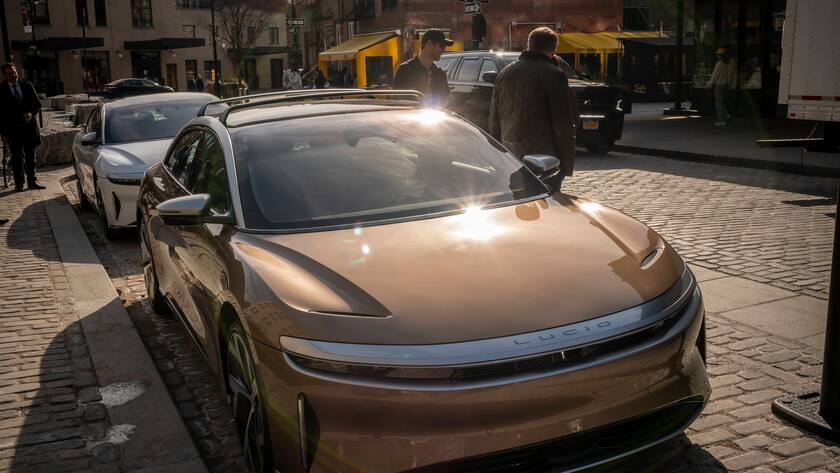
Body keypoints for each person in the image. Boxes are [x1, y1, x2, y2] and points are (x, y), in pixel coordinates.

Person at [489, 27, 576, 190]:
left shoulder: (505, 72)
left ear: (529, 45)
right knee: (544, 206)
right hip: (543, 160)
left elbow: (494, 121)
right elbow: (562, 125)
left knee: (517, 202)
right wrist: (566, 167)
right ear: (553, 49)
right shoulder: (554, 74)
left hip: (511, 157)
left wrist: (500, 157)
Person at [0, 63, 44, 191]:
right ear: (4, 75)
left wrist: (31, 113)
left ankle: (32, 181)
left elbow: (38, 104)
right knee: (16, 158)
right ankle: (19, 184)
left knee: (31, 157)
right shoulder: (1, 90)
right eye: (9, 73)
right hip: (13, 130)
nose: (13, 75)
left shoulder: (27, 86)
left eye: (14, 72)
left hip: (29, 128)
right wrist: (3, 133)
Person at [393, 29, 452, 107]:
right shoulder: (405, 70)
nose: (444, 50)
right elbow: (398, 100)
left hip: (435, 118)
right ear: (429, 44)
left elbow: (447, 99)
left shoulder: (440, 73)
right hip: (410, 118)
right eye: (441, 46)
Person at [707, 47, 737, 126]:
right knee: (721, 101)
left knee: (718, 103)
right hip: (727, 85)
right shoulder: (732, 62)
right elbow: (733, 74)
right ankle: (726, 114)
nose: (717, 56)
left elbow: (715, 76)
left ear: (721, 56)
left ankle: (722, 120)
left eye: (718, 55)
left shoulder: (719, 64)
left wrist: (709, 83)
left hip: (719, 85)